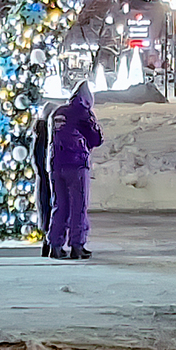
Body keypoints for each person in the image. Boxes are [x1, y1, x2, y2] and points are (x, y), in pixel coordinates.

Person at [47, 83, 103, 259]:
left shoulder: (58, 112)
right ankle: (77, 246)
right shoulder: (83, 113)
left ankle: (55, 245)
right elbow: (96, 138)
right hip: (76, 164)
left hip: (56, 164)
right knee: (78, 206)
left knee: (60, 205)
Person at [31, 101, 55, 258]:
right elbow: (40, 157)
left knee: (46, 208)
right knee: (47, 208)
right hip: (46, 178)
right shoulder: (44, 131)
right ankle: (48, 241)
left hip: (44, 177)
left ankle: (48, 239)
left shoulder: (39, 130)